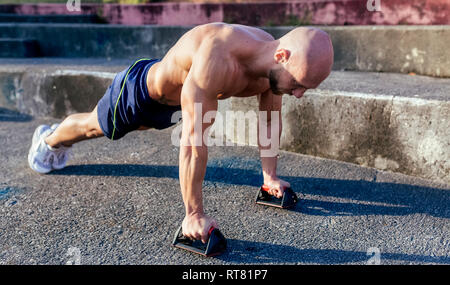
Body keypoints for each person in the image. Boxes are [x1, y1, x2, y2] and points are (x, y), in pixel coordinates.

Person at [28, 22, 334, 244]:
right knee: (94, 126)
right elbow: (193, 142)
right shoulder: (218, 56)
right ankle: (49, 140)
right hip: (140, 94)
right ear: (282, 56)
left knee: (143, 125)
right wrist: (194, 215)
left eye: (306, 87)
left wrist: (270, 177)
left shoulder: (271, 67)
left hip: (174, 107)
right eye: (299, 83)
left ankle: (55, 137)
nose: (299, 94)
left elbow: (269, 120)